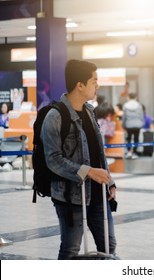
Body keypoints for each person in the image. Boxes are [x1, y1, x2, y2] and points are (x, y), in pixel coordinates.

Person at [40, 59, 117, 260]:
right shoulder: (55, 117)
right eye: (94, 81)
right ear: (80, 85)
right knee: (71, 249)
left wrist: (110, 181)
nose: (97, 85)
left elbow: (98, 152)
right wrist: (88, 171)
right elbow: (53, 159)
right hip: (70, 196)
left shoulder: (90, 112)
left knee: (109, 246)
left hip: (99, 193)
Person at [122, 92, 144, 159]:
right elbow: (141, 116)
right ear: (135, 97)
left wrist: (123, 124)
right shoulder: (139, 105)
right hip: (137, 125)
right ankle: (134, 153)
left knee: (128, 138)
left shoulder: (125, 105)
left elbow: (124, 117)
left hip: (129, 125)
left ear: (128, 97)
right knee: (136, 139)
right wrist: (141, 123)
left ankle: (129, 152)